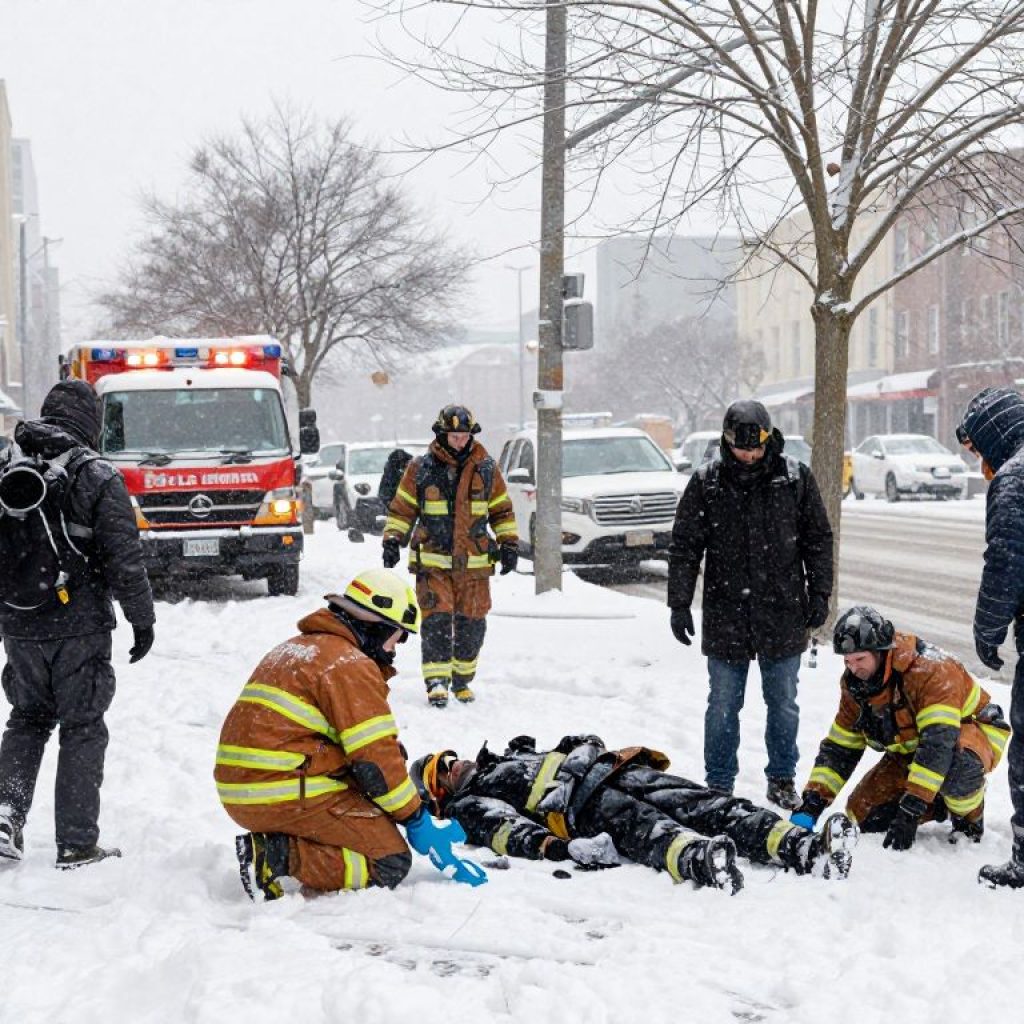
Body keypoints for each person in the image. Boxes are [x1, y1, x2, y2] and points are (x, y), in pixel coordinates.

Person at [215, 569, 480, 901]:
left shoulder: (297, 649)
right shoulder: (349, 665)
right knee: (388, 861)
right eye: (398, 636)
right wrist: (415, 817)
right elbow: (374, 762)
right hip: (279, 790)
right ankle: (274, 856)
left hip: (247, 787)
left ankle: (287, 845)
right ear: (377, 624)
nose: (396, 649)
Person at [0, 379, 155, 869]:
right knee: (83, 726)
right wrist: (142, 618)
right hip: (80, 624)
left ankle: (5, 814)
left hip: (19, 622)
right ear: (90, 421)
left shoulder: (8, 466)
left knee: (26, 719)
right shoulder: (98, 474)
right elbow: (124, 560)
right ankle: (76, 841)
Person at [411, 734, 858, 894]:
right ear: (439, 793)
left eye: (452, 757)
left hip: (614, 770)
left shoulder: (511, 755)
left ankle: (803, 847)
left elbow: (578, 741)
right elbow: (509, 832)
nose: (456, 764)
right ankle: (701, 861)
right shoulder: (471, 805)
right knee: (652, 830)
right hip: (580, 806)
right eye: (444, 770)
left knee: (708, 804)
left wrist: (578, 744)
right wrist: (561, 849)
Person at [667, 400, 833, 808]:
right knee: (723, 703)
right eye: (741, 448)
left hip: (783, 610)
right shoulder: (707, 482)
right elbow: (685, 547)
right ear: (726, 442)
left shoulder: (795, 479)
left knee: (783, 703)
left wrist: (821, 594)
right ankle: (719, 782)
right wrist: (679, 603)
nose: (749, 455)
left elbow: (818, 540)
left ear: (767, 440)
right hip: (727, 613)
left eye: (755, 448)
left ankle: (781, 777)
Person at [791, 605, 1009, 852]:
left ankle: (969, 816)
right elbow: (841, 747)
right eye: (848, 661)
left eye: (860, 659)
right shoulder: (856, 686)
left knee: (958, 767)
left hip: (970, 735)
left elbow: (939, 743)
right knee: (862, 814)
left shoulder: (930, 671)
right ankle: (937, 801)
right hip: (913, 748)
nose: (853, 668)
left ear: (881, 652)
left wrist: (912, 807)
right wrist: (813, 800)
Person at [381, 404, 518, 708]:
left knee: (473, 624)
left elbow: (501, 510)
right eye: (454, 436)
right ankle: (437, 682)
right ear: (442, 435)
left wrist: (509, 543)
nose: (460, 441)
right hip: (433, 563)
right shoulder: (421, 468)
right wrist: (392, 540)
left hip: (475, 565)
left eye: (464, 436)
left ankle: (461, 680)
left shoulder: (486, 468)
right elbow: (403, 508)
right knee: (437, 621)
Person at [955, 387, 1024, 887]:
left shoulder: (1015, 480)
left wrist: (987, 630)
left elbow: (1005, 563)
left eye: (979, 450)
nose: (981, 464)